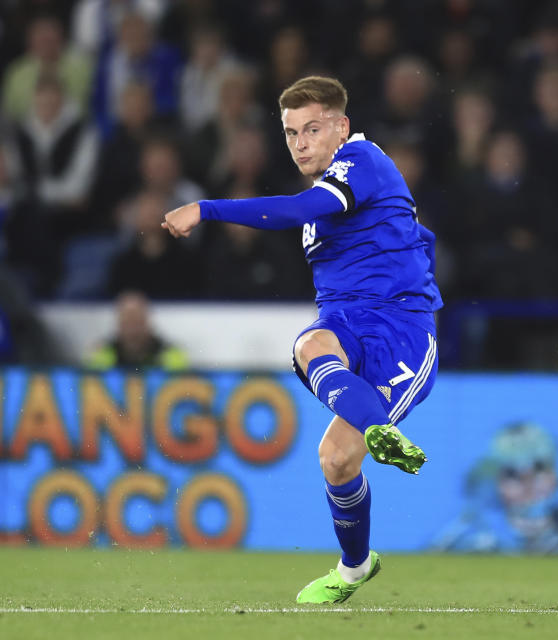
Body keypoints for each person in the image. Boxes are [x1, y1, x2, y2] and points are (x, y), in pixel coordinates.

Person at [161, 76, 442, 604]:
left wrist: (206, 208)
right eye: (291, 133)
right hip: (343, 320)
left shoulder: (362, 160)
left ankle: (354, 560)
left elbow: (292, 211)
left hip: (400, 330)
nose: (301, 142)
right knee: (309, 350)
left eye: (313, 129)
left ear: (342, 127)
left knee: (337, 456)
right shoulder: (333, 187)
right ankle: (361, 542)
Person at [87, 290, 189, 370]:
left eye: (137, 321)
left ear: (147, 322)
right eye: (128, 321)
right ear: (119, 323)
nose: (133, 329)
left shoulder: (171, 355)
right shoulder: (102, 354)